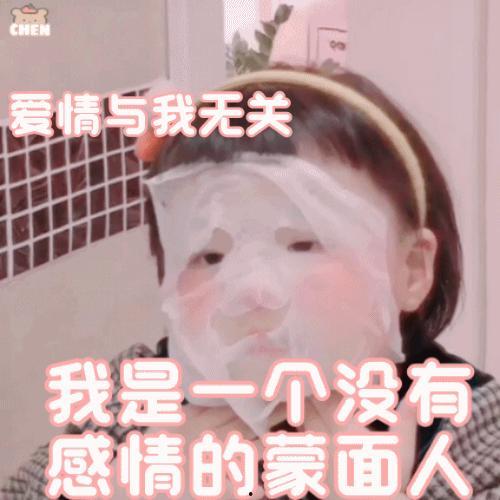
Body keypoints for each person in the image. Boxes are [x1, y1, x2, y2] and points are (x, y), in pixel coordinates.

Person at [3, 66, 500, 499]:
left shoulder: (471, 431)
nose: (250, 290)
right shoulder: (130, 402)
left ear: (412, 269)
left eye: (303, 244)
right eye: (211, 255)